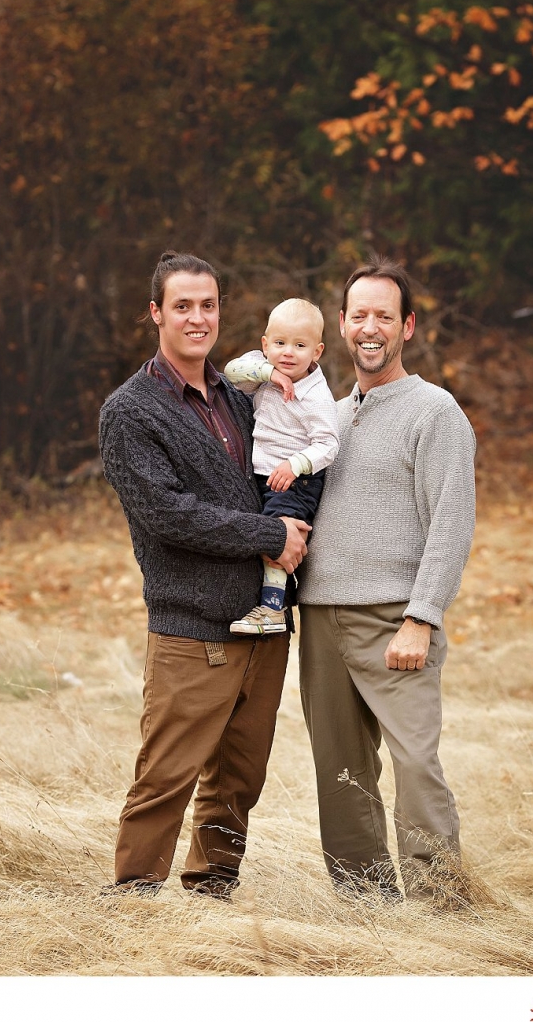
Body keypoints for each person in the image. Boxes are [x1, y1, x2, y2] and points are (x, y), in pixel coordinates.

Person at [98, 250, 311, 899]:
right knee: (166, 777)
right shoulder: (131, 412)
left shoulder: (239, 397)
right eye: (183, 305)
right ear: (157, 313)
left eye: (209, 305)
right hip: (192, 626)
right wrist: (271, 534)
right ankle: (132, 898)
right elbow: (168, 516)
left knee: (239, 778)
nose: (198, 317)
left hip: (265, 624)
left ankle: (213, 890)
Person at [297, 255, 476, 905]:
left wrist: (421, 617)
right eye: (359, 315)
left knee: (416, 767)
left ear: (407, 326)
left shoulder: (436, 413)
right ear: (342, 325)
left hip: (395, 620)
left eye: (384, 316)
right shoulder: (329, 421)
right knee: (339, 772)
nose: (370, 328)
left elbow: (451, 524)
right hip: (319, 620)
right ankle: (367, 907)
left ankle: (442, 908)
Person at [223, 298, 340, 635]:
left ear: (317, 352)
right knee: (260, 532)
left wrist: (295, 464)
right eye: (279, 343)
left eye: (300, 346)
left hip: (297, 479)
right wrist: (268, 373)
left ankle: (273, 609)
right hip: (264, 474)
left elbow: (328, 444)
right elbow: (230, 373)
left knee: (278, 531)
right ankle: (265, 603)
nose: (288, 352)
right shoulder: (263, 370)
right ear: (265, 344)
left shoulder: (316, 396)